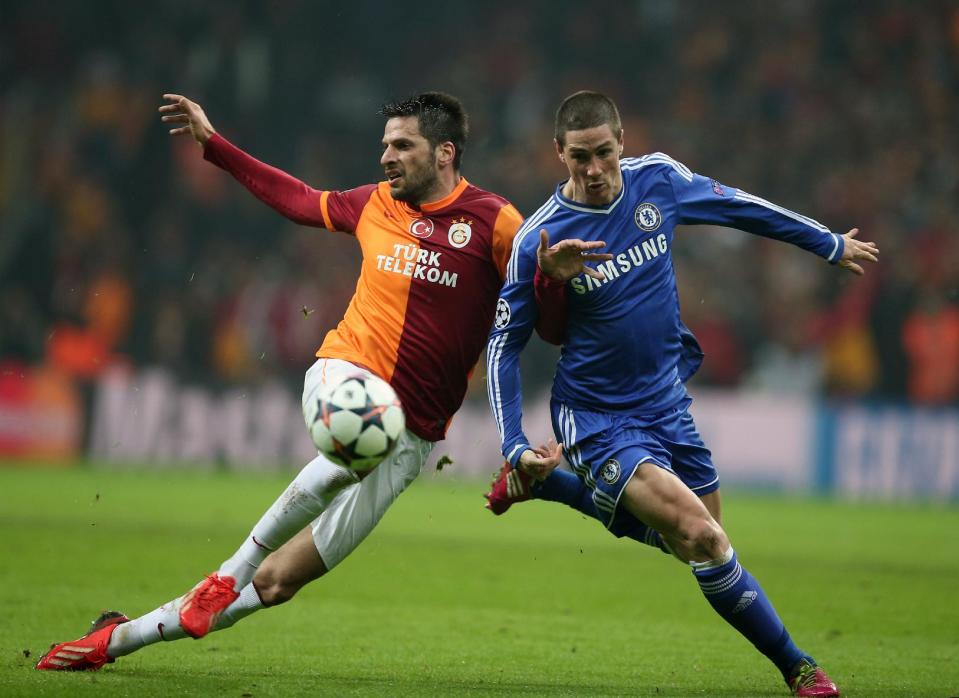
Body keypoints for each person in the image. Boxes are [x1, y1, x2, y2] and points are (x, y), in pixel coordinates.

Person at [35, 91, 556, 671]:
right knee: (366, 436)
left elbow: (548, 313)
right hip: (343, 377)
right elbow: (299, 200)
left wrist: (554, 282)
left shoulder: (496, 221)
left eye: (402, 145)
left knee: (281, 582)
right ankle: (229, 572)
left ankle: (115, 639)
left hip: (413, 442)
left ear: (444, 153)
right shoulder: (376, 204)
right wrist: (215, 145)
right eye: (384, 144)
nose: (386, 156)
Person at [484, 90, 879, 697]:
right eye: (579, 158)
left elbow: (741, 208)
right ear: (558, 153)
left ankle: (551, 486)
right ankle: (801, 669)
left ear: (622, 139)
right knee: (705, 540)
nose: (594, 171)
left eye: (605, 153)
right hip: (594, 417)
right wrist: (513, 442)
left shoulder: (659, 181)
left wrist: (825, 243)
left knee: (696, 547)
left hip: (666, 400)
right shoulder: (540, 237)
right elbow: (505, 345)